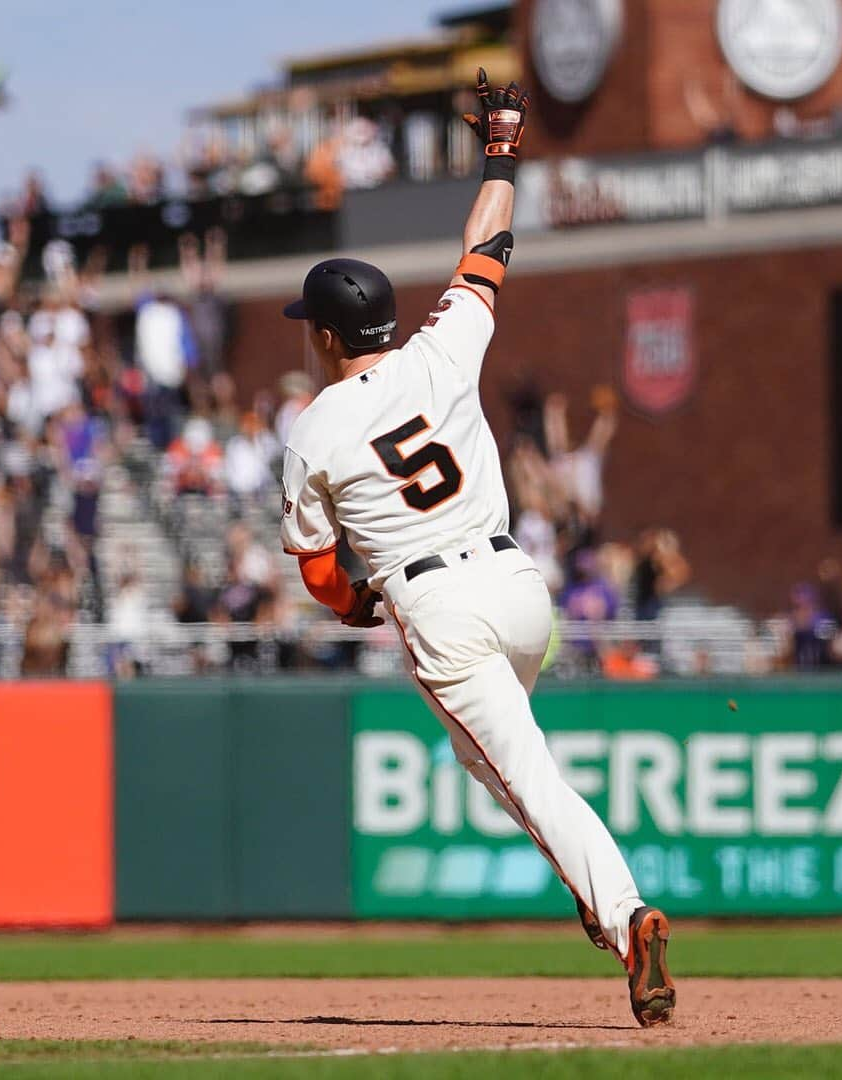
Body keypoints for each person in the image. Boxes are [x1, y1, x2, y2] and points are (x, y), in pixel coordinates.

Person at [277, 69, 674, 1027]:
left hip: (440, 610)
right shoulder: (441, 347)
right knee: (492, 760)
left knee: (525, 774)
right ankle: (595, 892)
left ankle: (623, 914)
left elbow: (319, 569)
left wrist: (355, 606)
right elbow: (488, 247)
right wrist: (503, 146)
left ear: (328, 337)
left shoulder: (316, 428)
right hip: (520, 586)